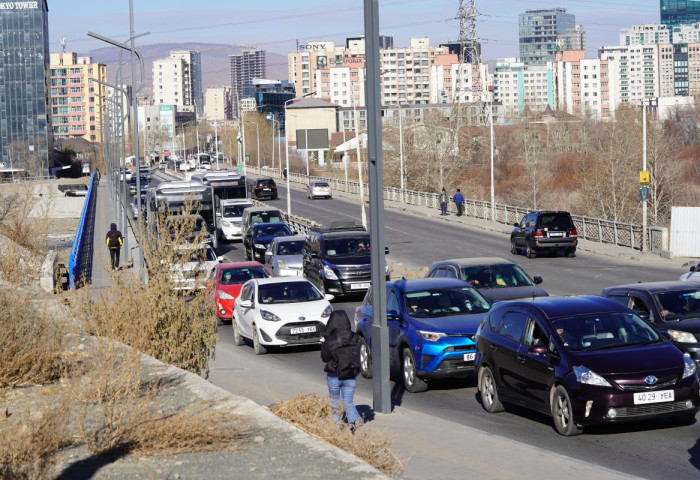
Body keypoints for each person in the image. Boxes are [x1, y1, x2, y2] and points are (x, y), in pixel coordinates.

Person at [320, 310, 363, 431]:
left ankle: (336, 427)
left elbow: (324, 358)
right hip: (350, 375)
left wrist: (323, 344)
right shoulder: (354, 337)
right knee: (348, 401)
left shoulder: (329, 339)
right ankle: (355, 419)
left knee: (334, 401)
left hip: (334, 376)